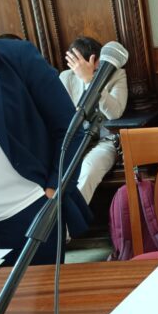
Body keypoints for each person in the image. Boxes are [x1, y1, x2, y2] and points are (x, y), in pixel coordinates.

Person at [0, 0, 91, 265]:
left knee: (39, 293)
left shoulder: (15, 57)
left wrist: (54, 190)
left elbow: (69, 129)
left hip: (28, 211)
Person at [59, 36, 128, 203]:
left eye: (96, 68)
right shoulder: (66, 77)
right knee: (61, 175)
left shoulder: (116, 74)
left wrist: (91, 82)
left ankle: (72, 218)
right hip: (75, 141)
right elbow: (62, 116)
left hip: (105, 140)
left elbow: (115, 113)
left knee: (88, 171)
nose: (94, 70)